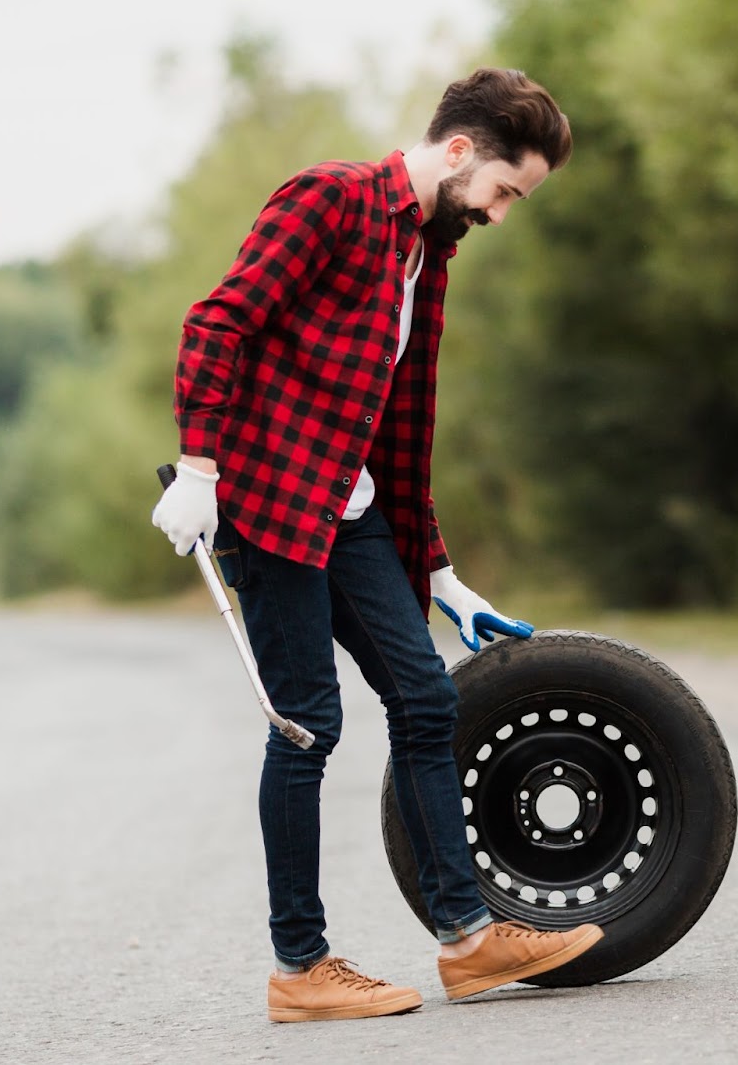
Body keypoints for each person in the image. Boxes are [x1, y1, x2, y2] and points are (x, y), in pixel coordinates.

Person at [151, 67, 601, 1023]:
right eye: (505, 191)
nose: (502, 212)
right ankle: (299, 968)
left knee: (426, 697)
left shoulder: (426, 255)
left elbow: (398, 432)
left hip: (349, 512)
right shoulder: (331, 201)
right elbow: (216, 321)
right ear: (459, 151)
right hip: (268, 504)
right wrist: (199, 467)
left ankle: (471, 943)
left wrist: (440, 575)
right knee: (307, 723)